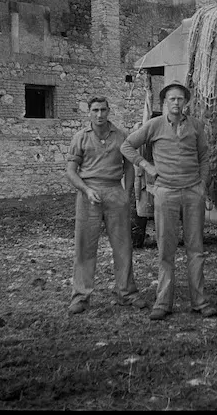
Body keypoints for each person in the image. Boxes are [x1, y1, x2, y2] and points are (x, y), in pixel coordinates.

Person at [120, 81, 217, 320]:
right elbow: (126, 145)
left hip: (192, 192)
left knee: (196, 249)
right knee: (166, 249)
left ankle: (200, 301)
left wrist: (202, 185)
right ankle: (163, 302)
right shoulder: (153, 125)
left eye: (180, 99)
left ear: (186, 102)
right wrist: (146, 165)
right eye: (172, 99)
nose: (176, 103)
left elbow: (204, 156)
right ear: (164, 102)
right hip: (166, 193)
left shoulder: (196, 125)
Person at [66, 96, 147, 315]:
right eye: (95, 110)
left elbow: (129, 167)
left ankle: (127, 292)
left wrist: (127, 194)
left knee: (123, 245)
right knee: (85, 246)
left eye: (103, 110)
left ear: (109, 111)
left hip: (114, 191)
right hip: (88, 194)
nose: (100, 114)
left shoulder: (121, 136)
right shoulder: (80, 137)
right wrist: (86, 190)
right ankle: (81, 296)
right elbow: (71, 171)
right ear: (89, 112)